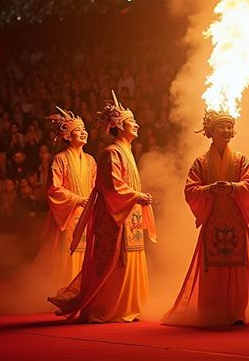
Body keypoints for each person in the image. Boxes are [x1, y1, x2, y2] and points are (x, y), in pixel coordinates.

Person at [162, 110, 249, 326]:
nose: (227, 131)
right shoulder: (200, 162)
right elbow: (190, 189)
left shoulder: (241, 160)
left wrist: (234, 187)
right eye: (221, 127)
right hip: (213, 222)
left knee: (238, 268)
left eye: (229, 127)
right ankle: (211, 310)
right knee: (212, 268)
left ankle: (237, 312)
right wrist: (209, 189)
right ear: (210, 131)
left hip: (235, 221)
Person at [48, 91, 157, 323]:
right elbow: (111, 187)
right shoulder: (111, 152)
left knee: (130, 259)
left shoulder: (123, 152)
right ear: (119, 125)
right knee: (116, 263)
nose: (136, 125)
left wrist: (137, 198)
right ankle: (110, 307)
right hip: (116, 217)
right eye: (132, 122)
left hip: (129, 215)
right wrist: (136, 195)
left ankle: (129, 306)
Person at [33, 107, 96, 290]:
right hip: (68, 214)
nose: (83, 132)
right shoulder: (59, 159)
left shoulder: (91, 161)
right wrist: (77, 199)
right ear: (68, 136)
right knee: (68, 252)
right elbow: (54, 189)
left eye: (84, 129)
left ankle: (82, 290)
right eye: (78, 130)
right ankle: (63, 289)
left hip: (86, 212)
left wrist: (91, 203)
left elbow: (94, 187)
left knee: (86, 252)